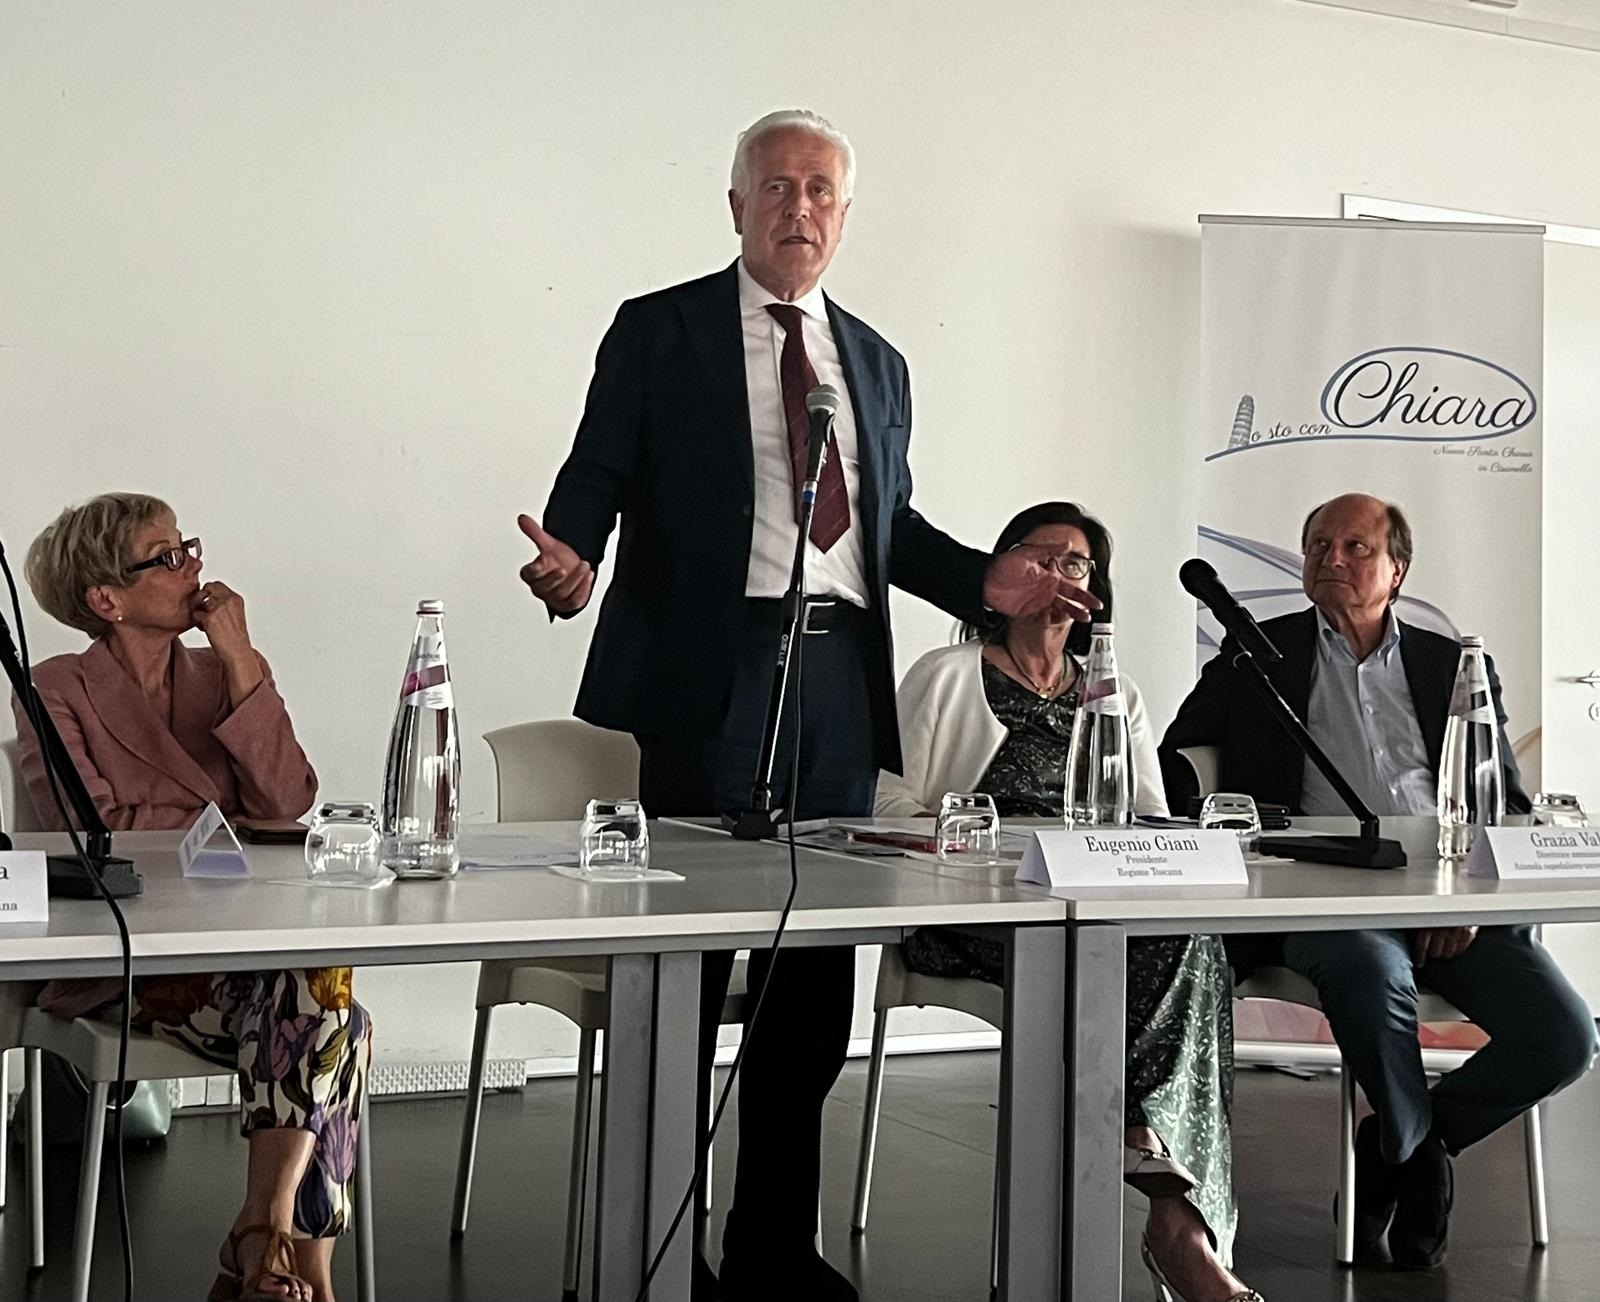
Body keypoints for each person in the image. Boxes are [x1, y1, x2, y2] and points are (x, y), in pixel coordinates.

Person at [517, 110, 1097, 1302]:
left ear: (844, 213)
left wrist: (985, 584)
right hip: (710, 667)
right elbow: (599, 469)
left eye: (820, 189)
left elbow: (889, 529)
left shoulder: (875, 361)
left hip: (838, 676)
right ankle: (654, 1243)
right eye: (776, 186)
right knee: (689, 962)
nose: (799, 207)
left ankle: (773, 1246)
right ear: (737, 205)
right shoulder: (661, 328)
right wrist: (572, 554)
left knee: (815, 980)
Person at [1160, 492, 1596, 1271]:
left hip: (1448, 894)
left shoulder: (1451, 665)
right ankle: (1417, 1158)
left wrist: (1465, 899)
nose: (1332, 558)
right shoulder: (1255, 655)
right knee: (1370, 971)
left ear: (1398, 569)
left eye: (1355, 547)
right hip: (1321, 892)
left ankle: (1401, 1148)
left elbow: (1501, 798)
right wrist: (1234, 831)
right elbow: (1176, 764)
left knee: (1565, 1035)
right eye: (1318, 546)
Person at [878, 501, 1261, 1302]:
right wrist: (982, 841)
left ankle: (1168, 1200)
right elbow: (885, 806)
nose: (1057, 576)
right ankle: (1170, 1211)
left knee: (1192, 941)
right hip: (980, 912)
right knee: (1146, 959)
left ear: (1096, 591)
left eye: (1075, 564)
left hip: (1099, 910)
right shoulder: (946, 675)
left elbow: (1151, 817)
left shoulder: (1113, 693)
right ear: (1000, 574)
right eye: (1039, 558)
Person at [13, 493, 370, 1302]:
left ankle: (263, 1234)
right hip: (124, 960)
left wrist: (241, 660)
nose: (194, 567)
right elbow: (93, 827)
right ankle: (298, 1262)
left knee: (325, 1006)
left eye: (190, 547)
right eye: (166, 557)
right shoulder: (55, 687)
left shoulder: (220, 675)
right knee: (337, 1018)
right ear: (106, 599)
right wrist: (228, 822)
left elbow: (288, 800)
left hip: (242, 949)